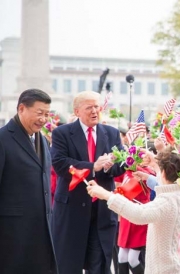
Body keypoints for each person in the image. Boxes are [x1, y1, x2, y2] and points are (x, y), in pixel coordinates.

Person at [51, 91, 126, 274]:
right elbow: (60, 164)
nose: (95, 111)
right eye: (89, 108)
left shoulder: (112, 133)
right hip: (72, 209)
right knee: (69, 263)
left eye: (97, 107)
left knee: (99, 264)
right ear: (77, 112)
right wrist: (93, 166)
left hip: (101, 210)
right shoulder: (62, 133)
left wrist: (109, 167)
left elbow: (121, 165)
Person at [87, 148, 180, 274]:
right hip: (178, 266)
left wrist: (106, 195)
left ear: (164, 173)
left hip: (166, 269)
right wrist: (155, 164)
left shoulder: (168, 200)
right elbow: (168, 181)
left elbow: (139, 214)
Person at [0, 89, 57, 273]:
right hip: (12, 236)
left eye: (47, 114)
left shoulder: (42, 140)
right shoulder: (3, 139)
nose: (43, 119)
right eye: (39, 113)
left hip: (41, 233)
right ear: (21, 109)